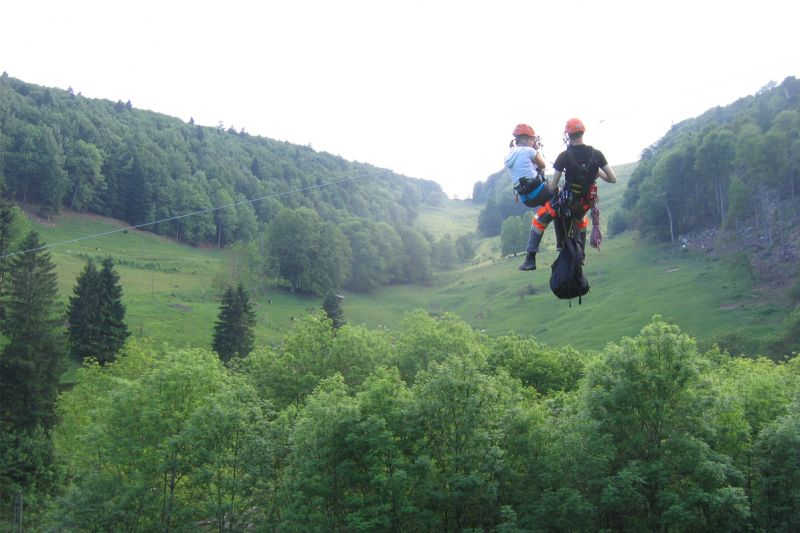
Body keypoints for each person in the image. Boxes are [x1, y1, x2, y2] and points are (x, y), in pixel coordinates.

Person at [518, 118, 617, 271]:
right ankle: (581, 254)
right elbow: (612, 179)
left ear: (567, 135)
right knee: (581, 221)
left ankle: (530, 259)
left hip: (568, 204)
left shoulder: (564, 156)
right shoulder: (597, 154)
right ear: (582, 132)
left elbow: (553, 187)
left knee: (539, 219)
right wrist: (597, 173)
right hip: (585, 204)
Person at [505, 124, 556, 209]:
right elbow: (542, 165)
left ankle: (543, 218)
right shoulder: (529, 151)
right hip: (538, 192)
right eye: (532, 140)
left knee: (549, 205)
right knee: (556, 189)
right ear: (524, 139)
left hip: (525, 199)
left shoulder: (509, 156)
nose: (533, 142)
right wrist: (536, 151)